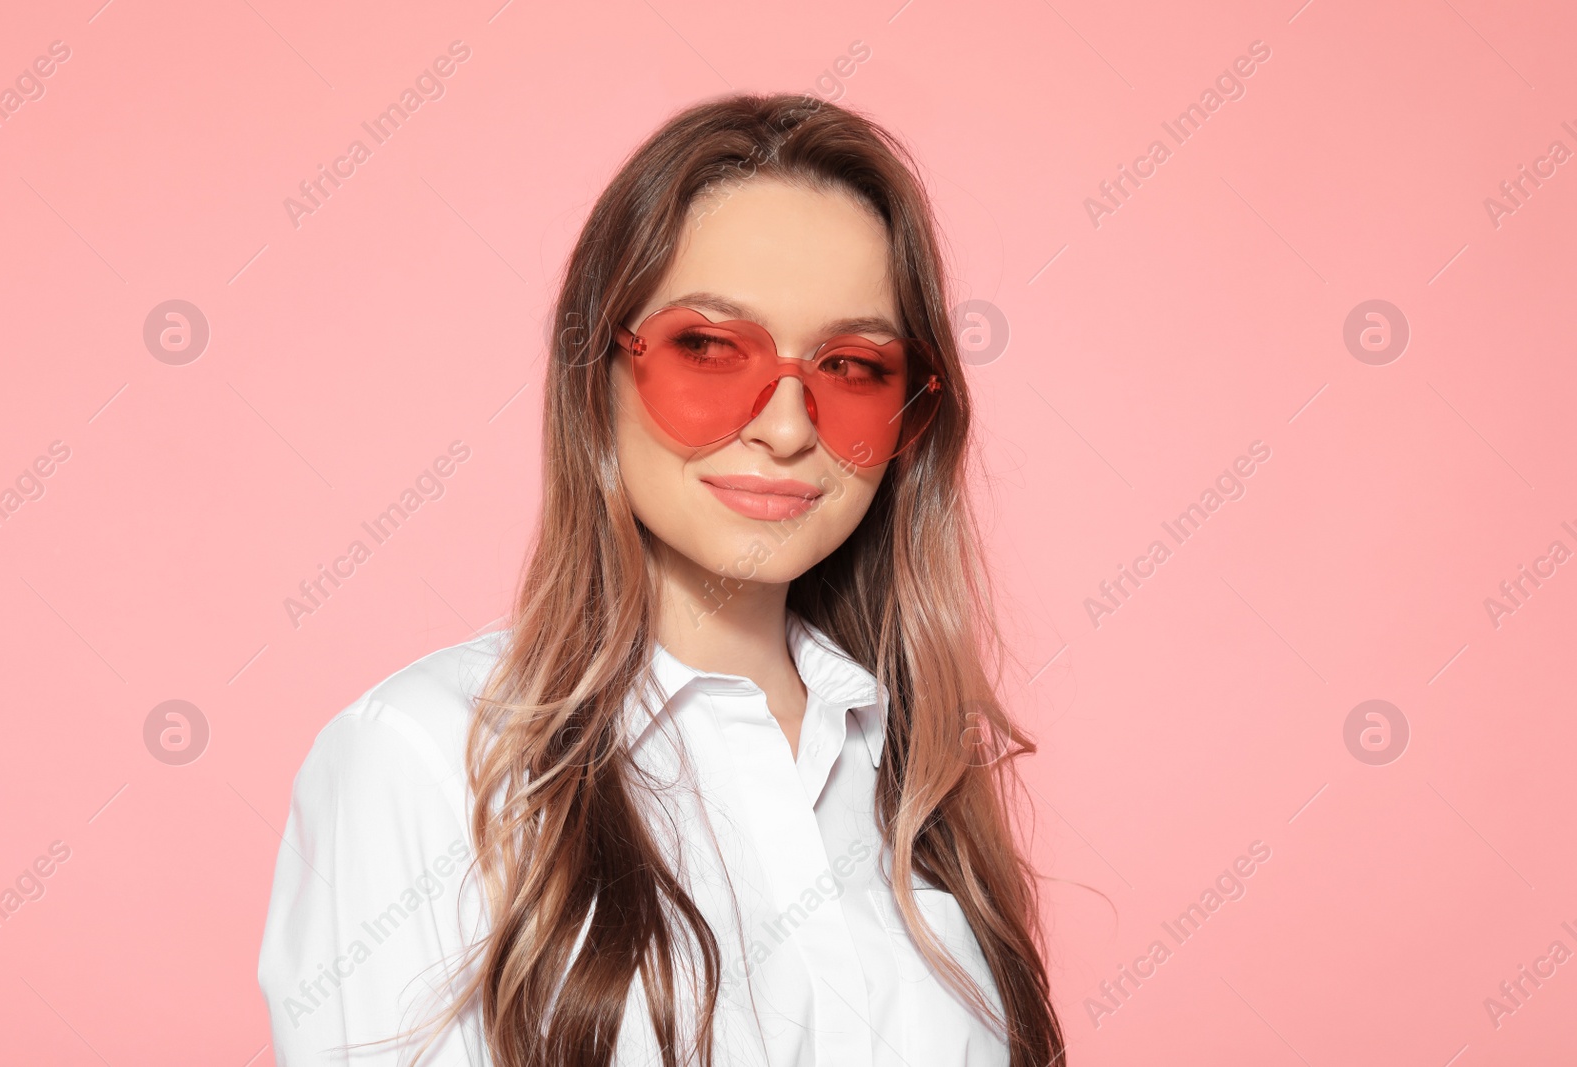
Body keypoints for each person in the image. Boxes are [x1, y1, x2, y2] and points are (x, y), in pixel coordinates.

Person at [257, 91, 1067, 1067]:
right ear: (594, 371)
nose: (784, 426)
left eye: (851, 364)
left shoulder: (915, 765)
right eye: (710, 348)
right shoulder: (427, 758)